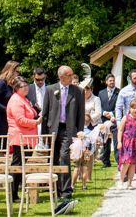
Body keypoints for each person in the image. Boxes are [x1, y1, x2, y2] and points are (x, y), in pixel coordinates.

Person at [42, 65, 85, 199]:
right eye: (70, 75)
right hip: (53, 128)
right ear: (61, 77)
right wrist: (44, 134)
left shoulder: (78, 91)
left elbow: (81, 113)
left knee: (64, 157)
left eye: (73, 75)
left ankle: (66, 190)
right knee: (54, 158)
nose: (72, 77)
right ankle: (55, 188)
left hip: (68, 128)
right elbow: (45, 112)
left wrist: (80, 132)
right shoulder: (50, 90)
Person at [7, 75, 41, 202]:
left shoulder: (24, 99)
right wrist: (36, 123)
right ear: (16, 88)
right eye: (23, 86)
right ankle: (12, 194)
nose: (26, 88)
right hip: (19, 137)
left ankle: (15, 193)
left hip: (26, 138)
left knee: (21, 164)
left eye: (27, 85)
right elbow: (20, 120)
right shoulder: (16, 100)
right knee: (17, 165)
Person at [117, 98, 136, 189]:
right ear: (130, 108)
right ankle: (121, 180)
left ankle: (130, 183)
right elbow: (120, 130)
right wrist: (119, 141)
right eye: (133, 108)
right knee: (126, 162)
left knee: (133, 164)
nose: (135, 110)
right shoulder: (126, 118)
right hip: (127, 144)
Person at [0, 60, 20, 137]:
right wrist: (7, 110)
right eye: (17, 72)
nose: (18, 74)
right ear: (11, 71)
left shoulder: (10, 85)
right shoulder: (1, 83)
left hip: (6, 121)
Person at [97, 74, 118, 167]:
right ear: (106, 82)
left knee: (116, 141)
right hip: (103, 120)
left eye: (113, 80)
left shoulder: (119, 92)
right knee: (105, 141)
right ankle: (106, 161)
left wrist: (112, 114)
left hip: (115, 120)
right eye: (110, 80)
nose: (112, 82)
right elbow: (98, 106)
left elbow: (120, 106)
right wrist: (103, 112)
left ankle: (118, 161)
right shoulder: (101, 93)